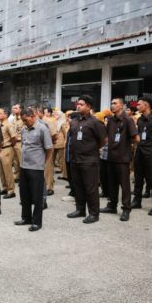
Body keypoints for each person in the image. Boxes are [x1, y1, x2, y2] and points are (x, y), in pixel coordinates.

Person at [66, 95, 107, 224]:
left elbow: (103, 140)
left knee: (91, 188)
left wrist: (91, 149)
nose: (78, 106)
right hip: (75, 159)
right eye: (78, 104)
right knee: (78, 186)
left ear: (89, 107)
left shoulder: (95, 122)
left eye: (81, 104)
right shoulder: (74, 121)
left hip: (89, 160)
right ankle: (80, 209)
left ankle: (94, 213)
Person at [14, 107, 53, 232]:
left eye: (26, 120)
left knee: (37, 197)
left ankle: (37, 222)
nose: (25, 123)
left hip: (36, 167)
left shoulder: (42, 129)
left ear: (33, 116)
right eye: (23, 121)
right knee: (24, 194)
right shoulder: (25, 129)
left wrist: (43, 162)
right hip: (24, 166)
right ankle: (26, 218)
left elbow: (49, 148)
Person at [100, 98, 139, 221]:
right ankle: (112, 206)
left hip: (122, 158)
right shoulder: (110, 120)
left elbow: (136, 138)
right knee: (112, 184)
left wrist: (125, 143)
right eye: (111, 103)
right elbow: (106, 137)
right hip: (111, 157)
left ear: (122, 105)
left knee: (124, 185)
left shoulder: (128, 120)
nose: (112, 105)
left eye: (115, 103)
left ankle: (126, 209)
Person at [0, 108, 17, 199]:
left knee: (8, 170)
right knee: (1, 170)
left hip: (7, 148)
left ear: (5, 115)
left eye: (0, 113)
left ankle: (11, 190)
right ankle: (4, 187)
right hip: (0, 150)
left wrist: (10, 146)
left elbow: (14, 138)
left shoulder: (9, 125)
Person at [11, 103, 24, 183]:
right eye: (14, 108)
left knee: (21, 161)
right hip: (14, 142)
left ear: (20, 109)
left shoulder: (23, 119)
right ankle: (17, 176)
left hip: (20, 142)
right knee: (15, 161)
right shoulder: (13, 119)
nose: (14, 109)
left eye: (16, 108)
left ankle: (23, 178)